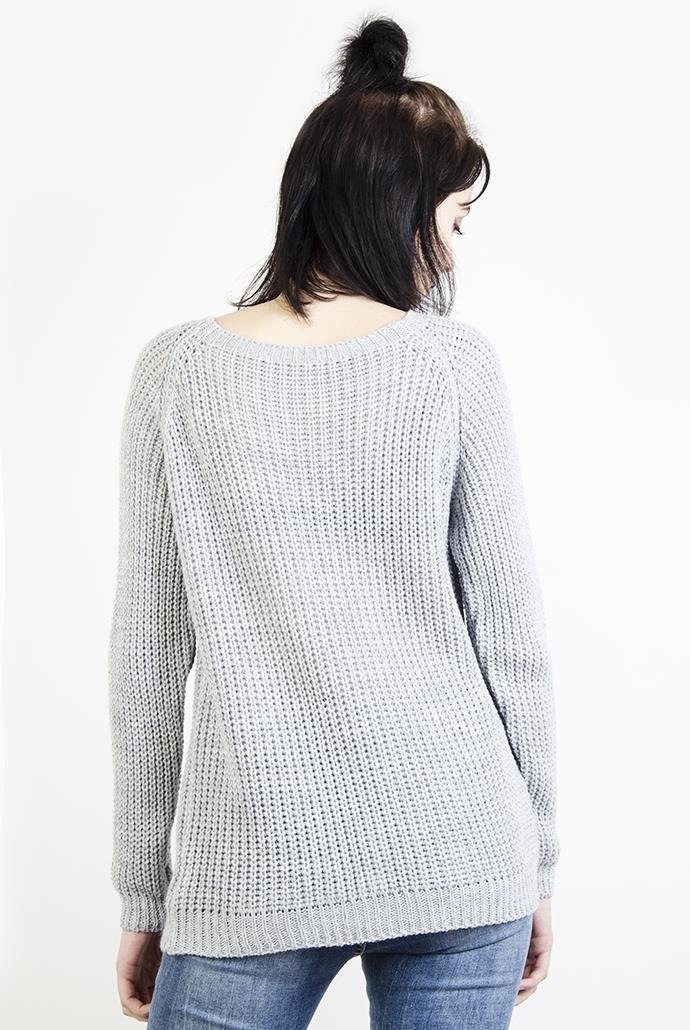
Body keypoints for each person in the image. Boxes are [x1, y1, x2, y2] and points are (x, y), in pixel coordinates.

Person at [108, 15, 560, 1029]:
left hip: (252, 863)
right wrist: (534, 863)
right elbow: (512, 640)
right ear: (399, 210)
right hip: (462, 850)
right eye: (454, 220)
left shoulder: (178, 371)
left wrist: (143, 893)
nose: (452, 252)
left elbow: (147, 660)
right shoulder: (451, 365)